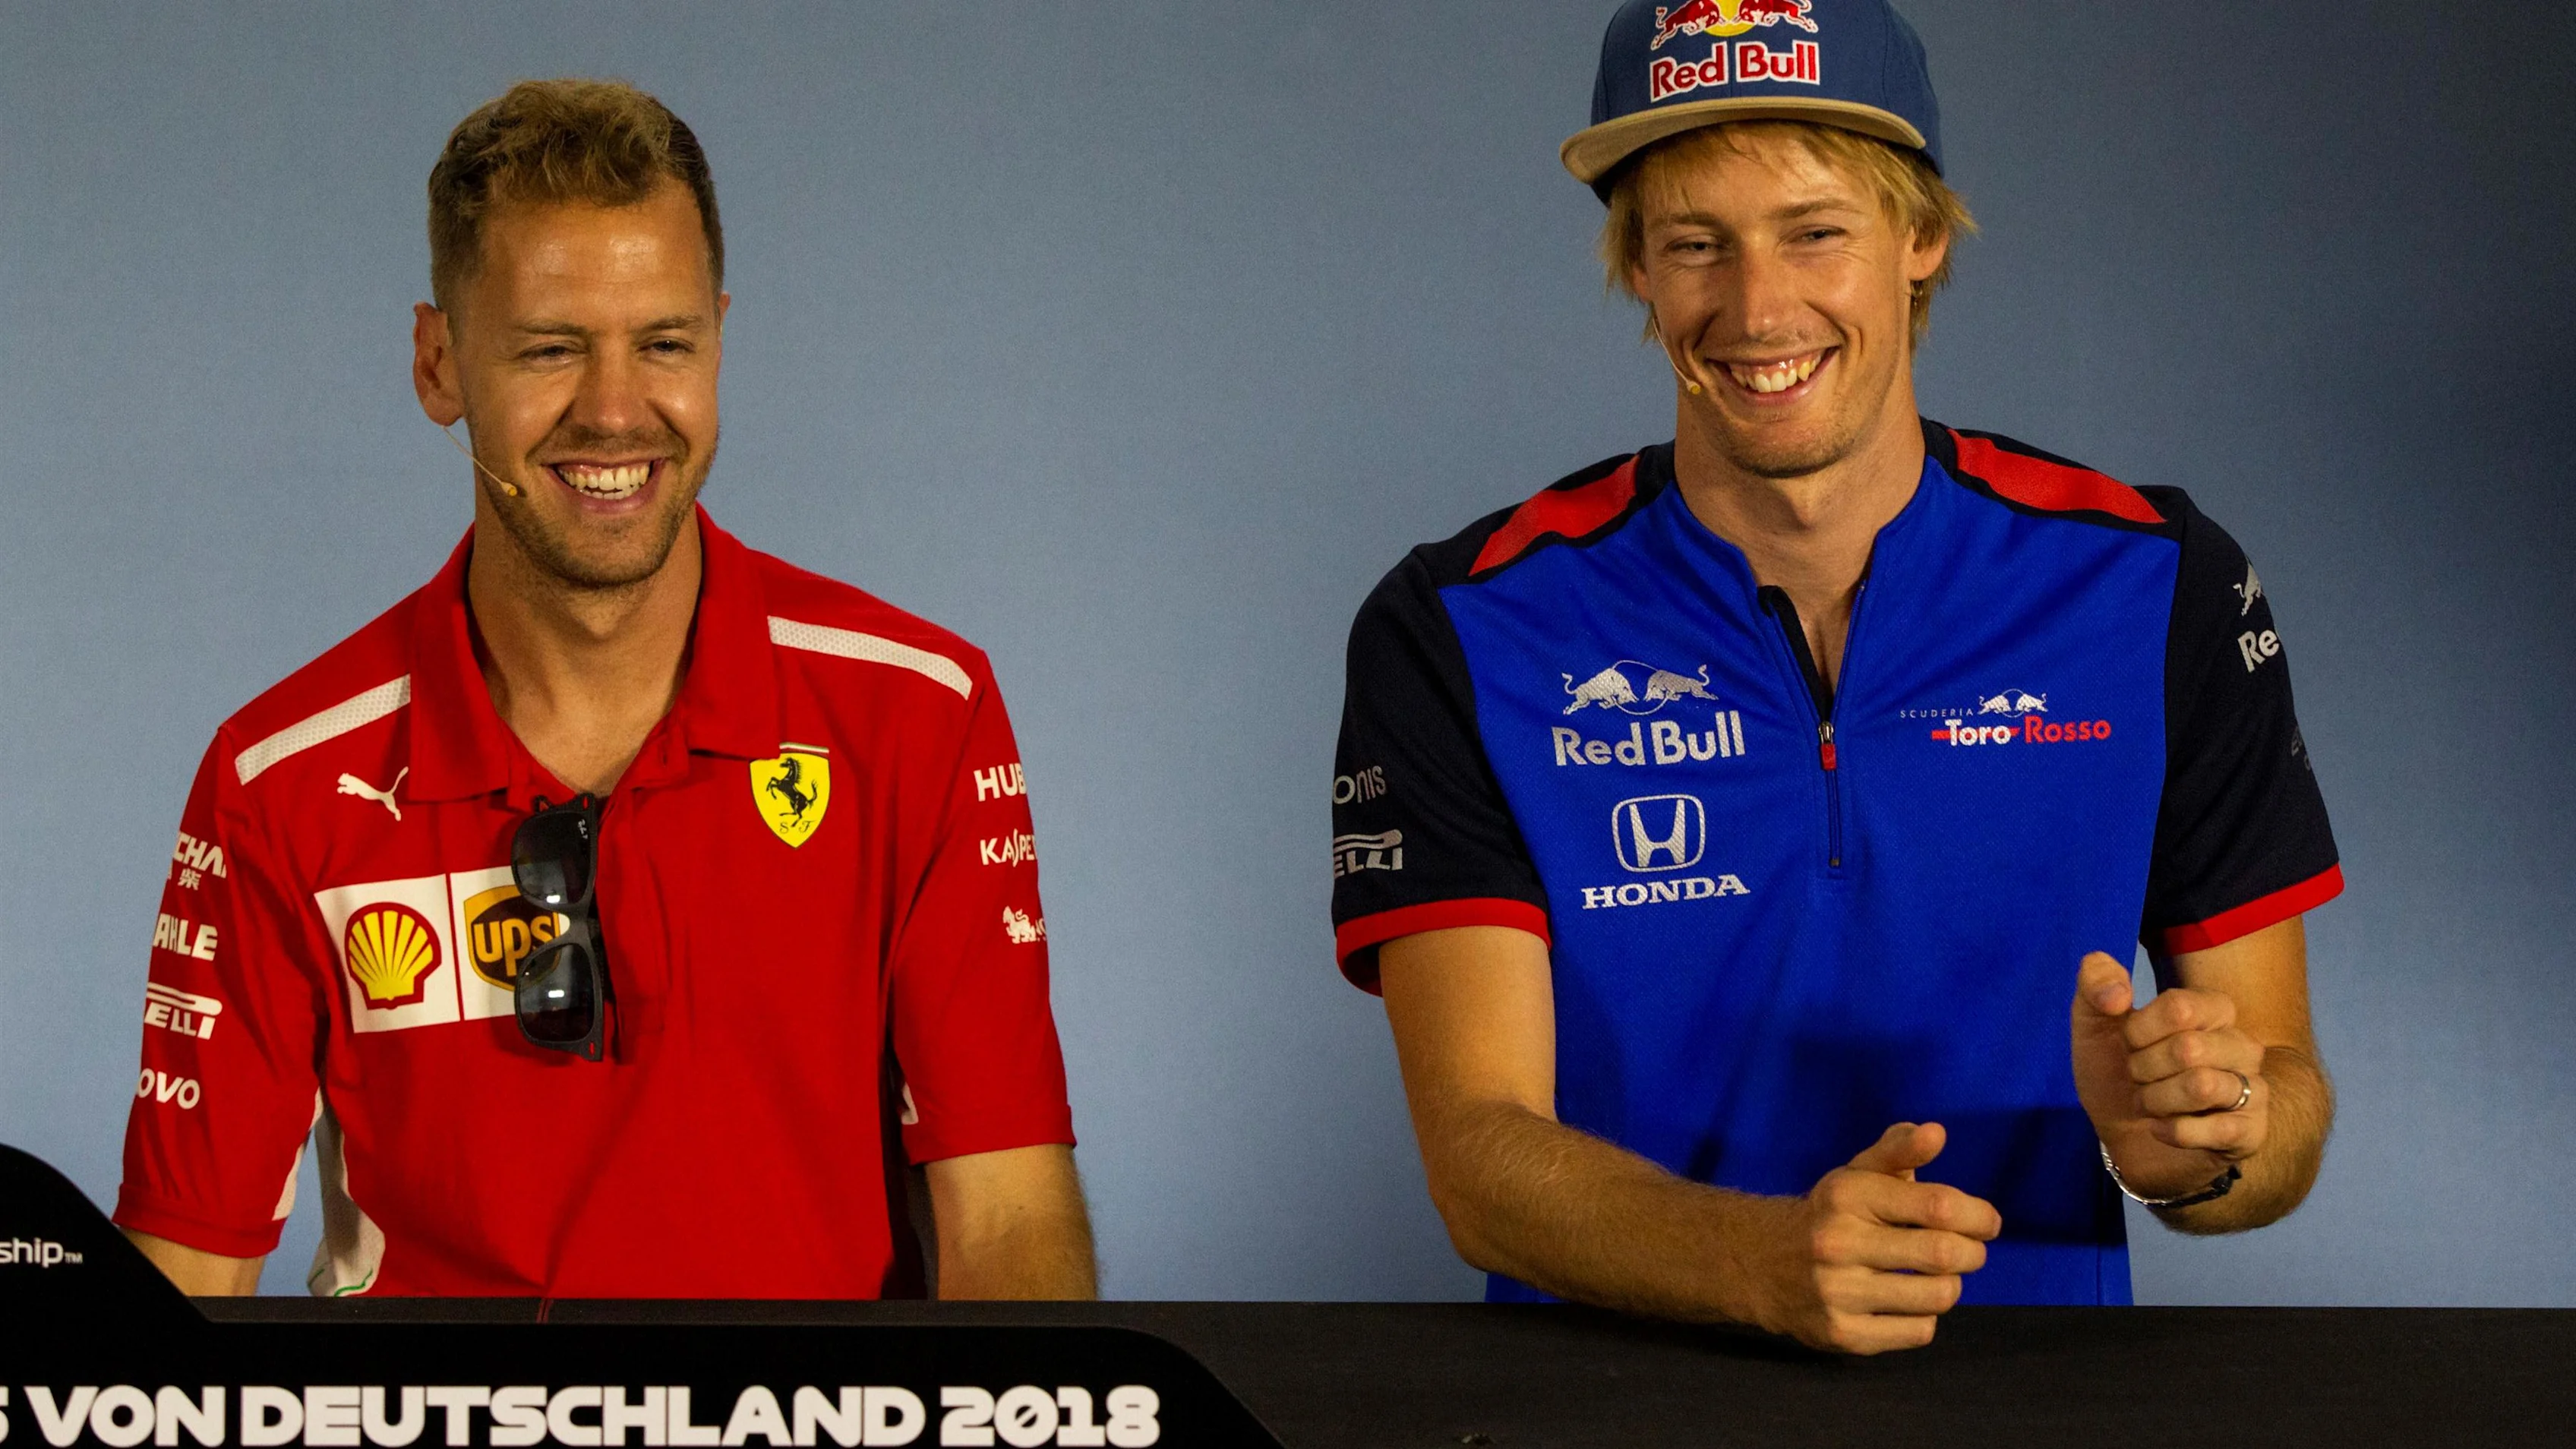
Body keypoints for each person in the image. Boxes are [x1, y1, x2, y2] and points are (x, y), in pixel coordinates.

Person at [1328, 0, 2339, 1353]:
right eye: (1696, 243)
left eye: (1815, 231)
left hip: (2037, 1410)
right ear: (1637, 265)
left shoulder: (2158, 585)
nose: (1757, 310)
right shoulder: (1461, 623)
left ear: (1920, 239)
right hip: (1602, 1416)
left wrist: (2198, 1146)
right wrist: (1758, 1260)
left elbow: (2279, 1109)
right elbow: (1479, 1154)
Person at [115, 80, 1094, 1299]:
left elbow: (1009, 1225)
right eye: (550, 349)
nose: (618, 410)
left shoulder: (918, 715)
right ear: (438, 365)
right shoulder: (281, 782)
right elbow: (178, 1293)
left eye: (665, 344)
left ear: (721, 342)